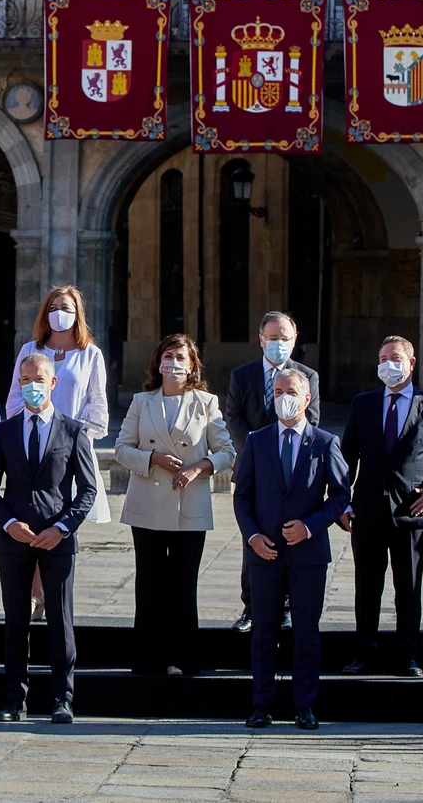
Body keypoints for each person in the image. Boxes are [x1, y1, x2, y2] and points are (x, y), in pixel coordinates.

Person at [0, 352, 97, 725]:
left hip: (57, 538)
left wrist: (62, 527)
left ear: (53, 383)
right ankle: (15, 698)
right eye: (25, 379)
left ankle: (63, 697)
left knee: (60, 620)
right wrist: (7, 522)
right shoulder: (5, 431)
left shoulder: (74, 430)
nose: (32, 386)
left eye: (39, 379)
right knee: (16, 619)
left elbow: (87, 490)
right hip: (15, 538)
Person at [111, 334, 234, 677]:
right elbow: (122, 448)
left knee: (183, 584)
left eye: (181, 357)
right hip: (147, 502)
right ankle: (147, 658)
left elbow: (226, 451)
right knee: (149, 583)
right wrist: (152, 458)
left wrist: (199, 467)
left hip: (188, 504)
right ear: (158, 361)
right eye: (168, 355)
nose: (174, 363)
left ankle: (186, 657)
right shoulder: (141, 401)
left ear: (192, 364)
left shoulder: (206, 402)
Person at [233, 367, 349, 731]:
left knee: (305, 632)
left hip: (308, 556)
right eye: (279, 391)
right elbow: (243, 496)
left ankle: (305, 706)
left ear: (306, 398)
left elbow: (341, 495)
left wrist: (310, 527)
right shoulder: (258, 440)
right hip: (264, 553)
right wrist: (252, 536)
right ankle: (261, 704)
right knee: (264, 630)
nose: (285, 397)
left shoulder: (326, 443)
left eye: (292, 391)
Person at [339, 336, 423, 676]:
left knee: (409, 588)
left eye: (397, 357)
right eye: (384, 357)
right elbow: (346, 458)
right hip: (368, 510)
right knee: (367, 586)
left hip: (411, 512)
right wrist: (341, 500)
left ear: (412, 363)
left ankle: (409, 654)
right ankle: (364, 652)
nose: (390, 363)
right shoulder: (364, 403)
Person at [4, 285, 112, 619]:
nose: (59, 312)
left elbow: (98, 407)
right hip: (33, 445)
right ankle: (35, 593)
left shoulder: (90, 354)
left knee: (61, 519)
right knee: (33, 515)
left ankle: (53, 592)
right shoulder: (29, 349)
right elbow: (12, 402)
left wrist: (73, 437)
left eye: (65, 306)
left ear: (77, 313)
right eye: (53, 306)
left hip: (70, 448)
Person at [225, 311, 322, 634]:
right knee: (253, 538)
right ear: (261, 339)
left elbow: (314, 421)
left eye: (285, 338)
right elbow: (233, 417)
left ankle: (286, 609)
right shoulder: (243, 375)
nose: (278, 343)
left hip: (292, 471)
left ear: (294, 341)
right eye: (273, 337)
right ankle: (251, 606)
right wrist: (257, 450)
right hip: (253, 469)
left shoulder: (308, 376)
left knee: (291, 539)